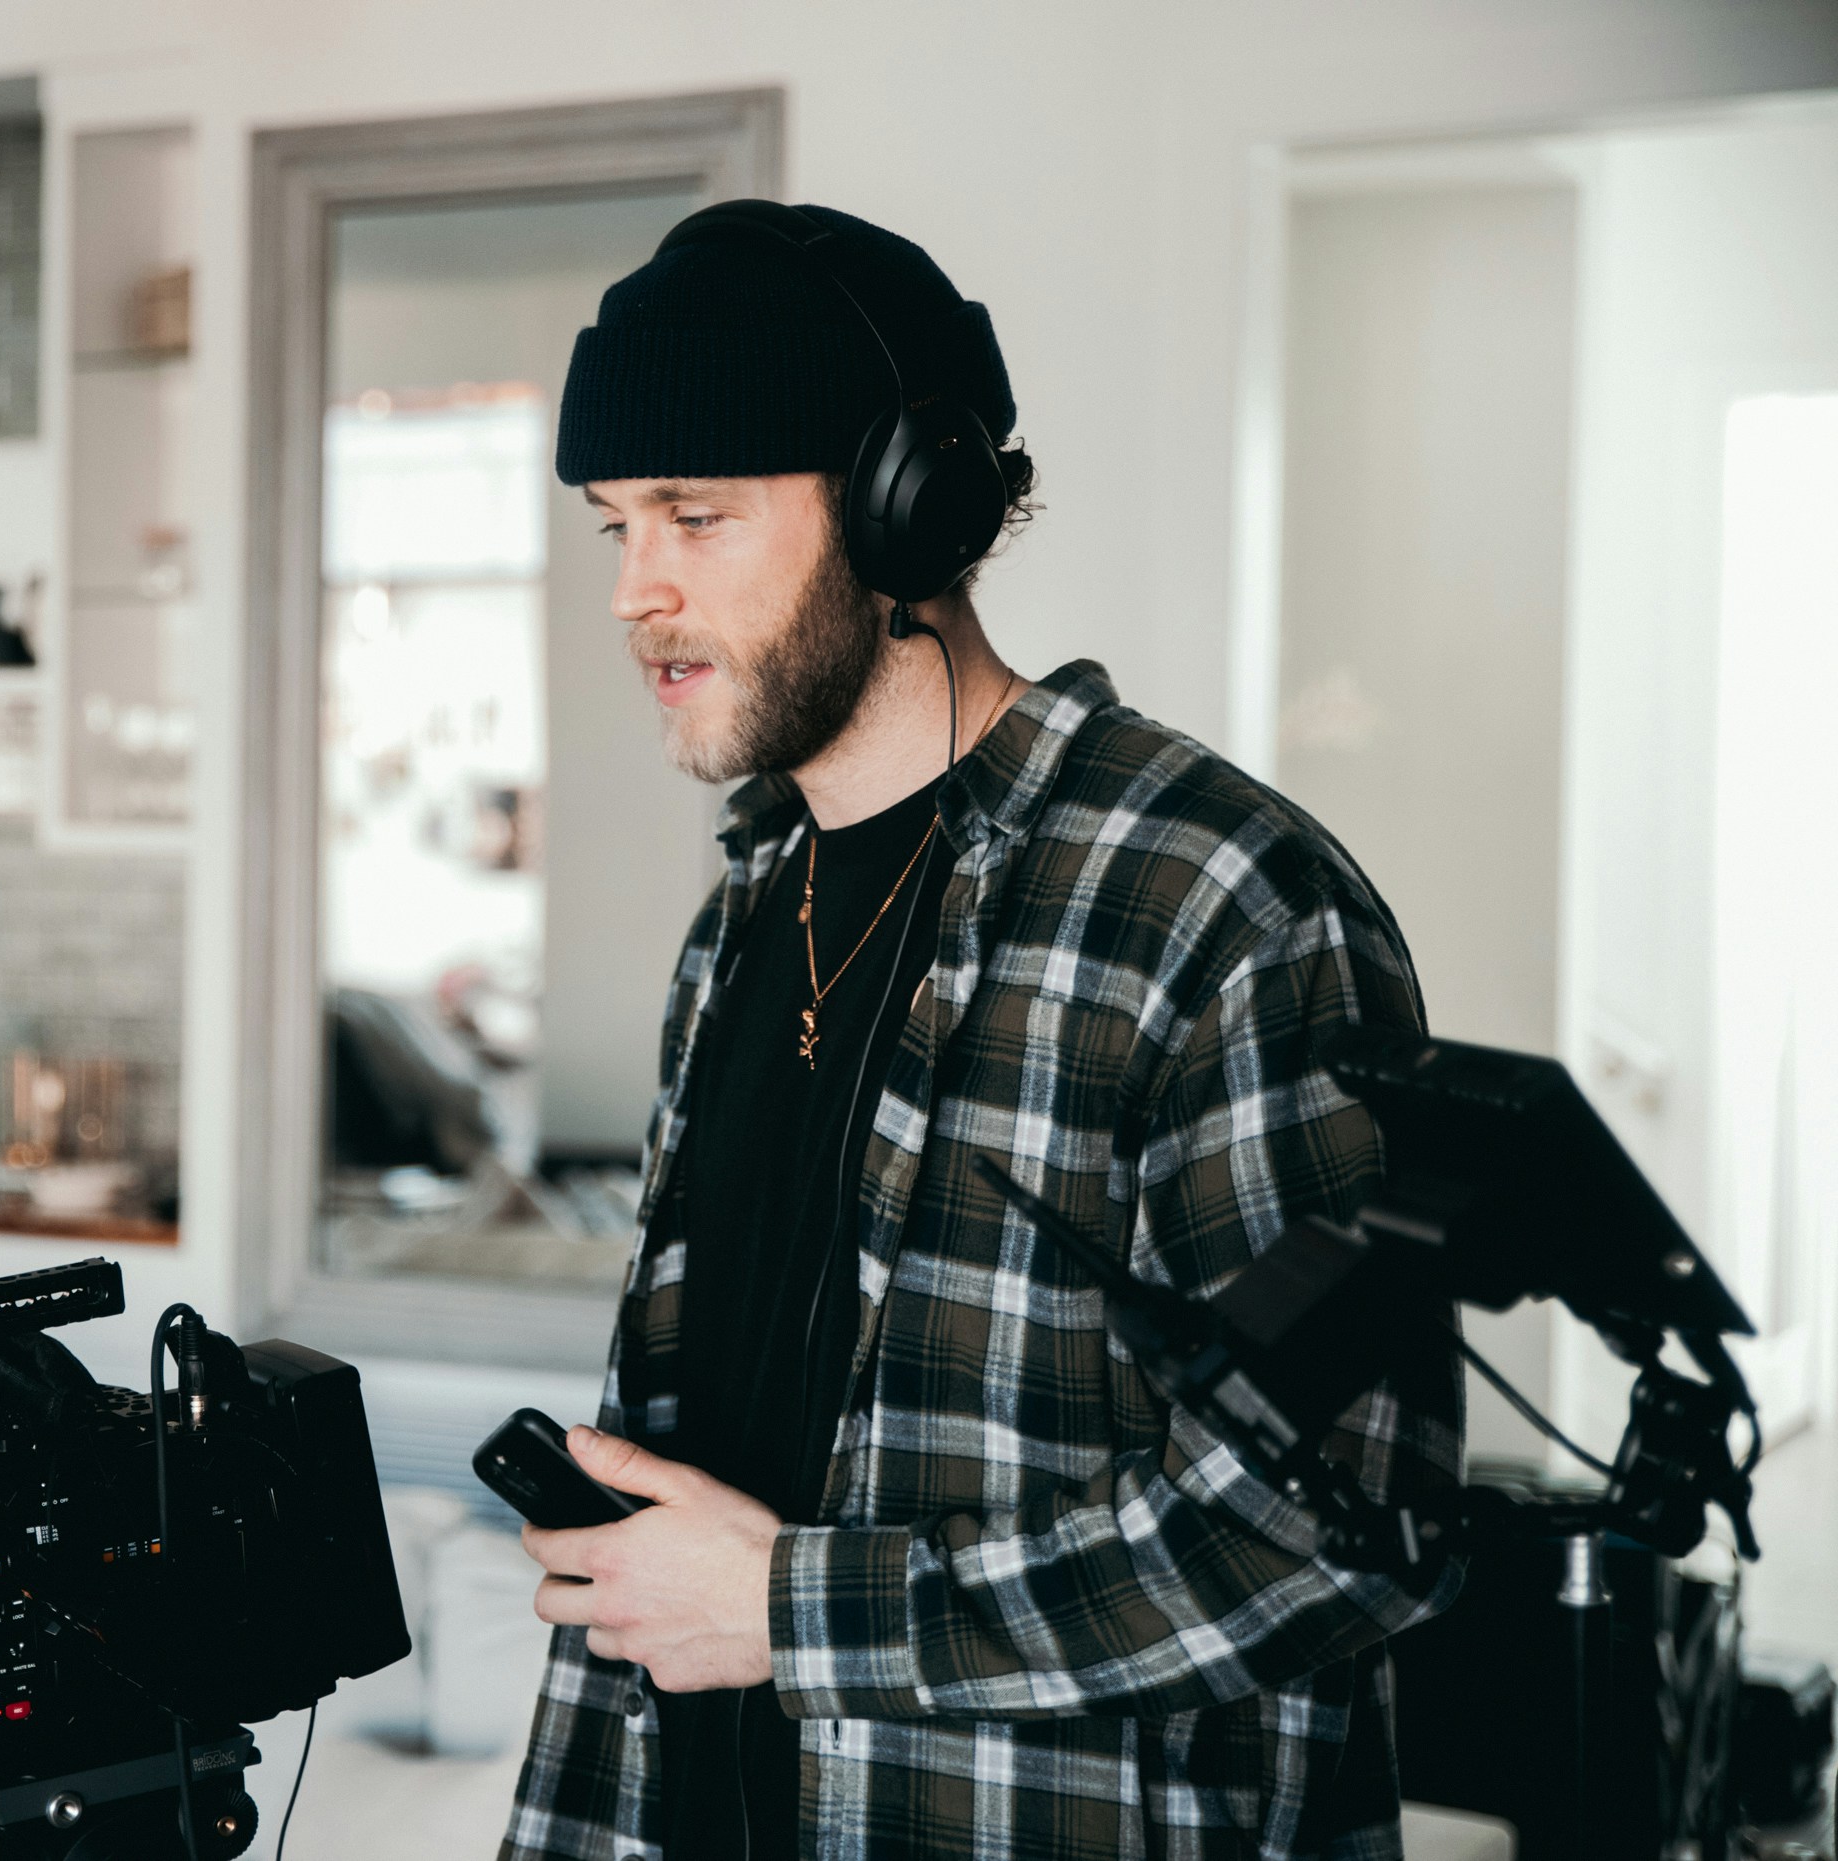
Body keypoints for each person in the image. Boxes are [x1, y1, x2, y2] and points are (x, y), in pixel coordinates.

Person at [499, 202, 1466, 1861]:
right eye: (613, 525)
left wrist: (796, 1611)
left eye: (697, 514)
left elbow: (1334, 1527)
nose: (635, 590)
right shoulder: (743, 915)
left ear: (905, 510)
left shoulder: (1221, 906)